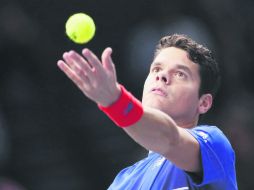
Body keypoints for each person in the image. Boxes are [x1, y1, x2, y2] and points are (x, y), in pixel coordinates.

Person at [57, 34, 237, 189]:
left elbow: (170, 139)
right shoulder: (123, 182)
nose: (161, 76)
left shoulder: (214, 145)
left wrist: (116, 102)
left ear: (203, 103)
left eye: (181, 74)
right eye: (156, 69)